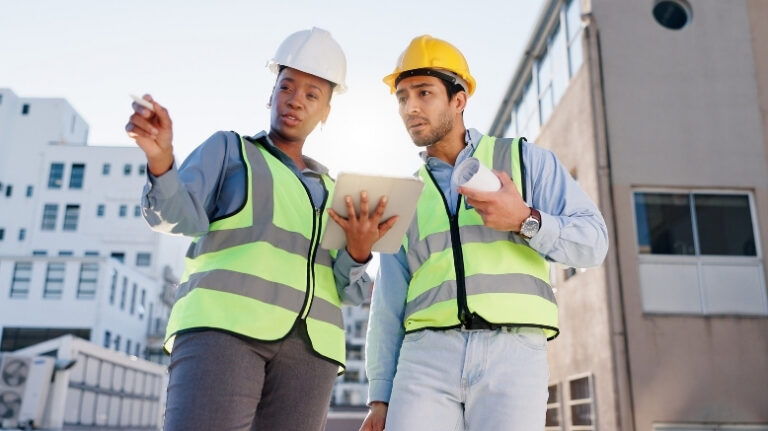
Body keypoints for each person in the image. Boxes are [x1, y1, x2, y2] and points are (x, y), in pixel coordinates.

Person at [126, 27, 395, 431]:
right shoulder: (230, 151)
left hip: (312, 352)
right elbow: (176, 215)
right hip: (223, 333)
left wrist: (359, 252)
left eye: (311, 95)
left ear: (326, 113)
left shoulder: (336, 191)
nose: (295, 100)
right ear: (271, 94)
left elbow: (351, 290)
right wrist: (162, 162)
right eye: (287, 86)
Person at [360, 35, 609, 431]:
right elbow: (388, 305)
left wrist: (525, 219)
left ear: (459, 101)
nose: (411, 108)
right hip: (424, 358)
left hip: (513, 354)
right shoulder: (403, 196)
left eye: (424, 93)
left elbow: (594, 244)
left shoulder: (527, 162)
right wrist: (379, 396)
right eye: (402, 97)